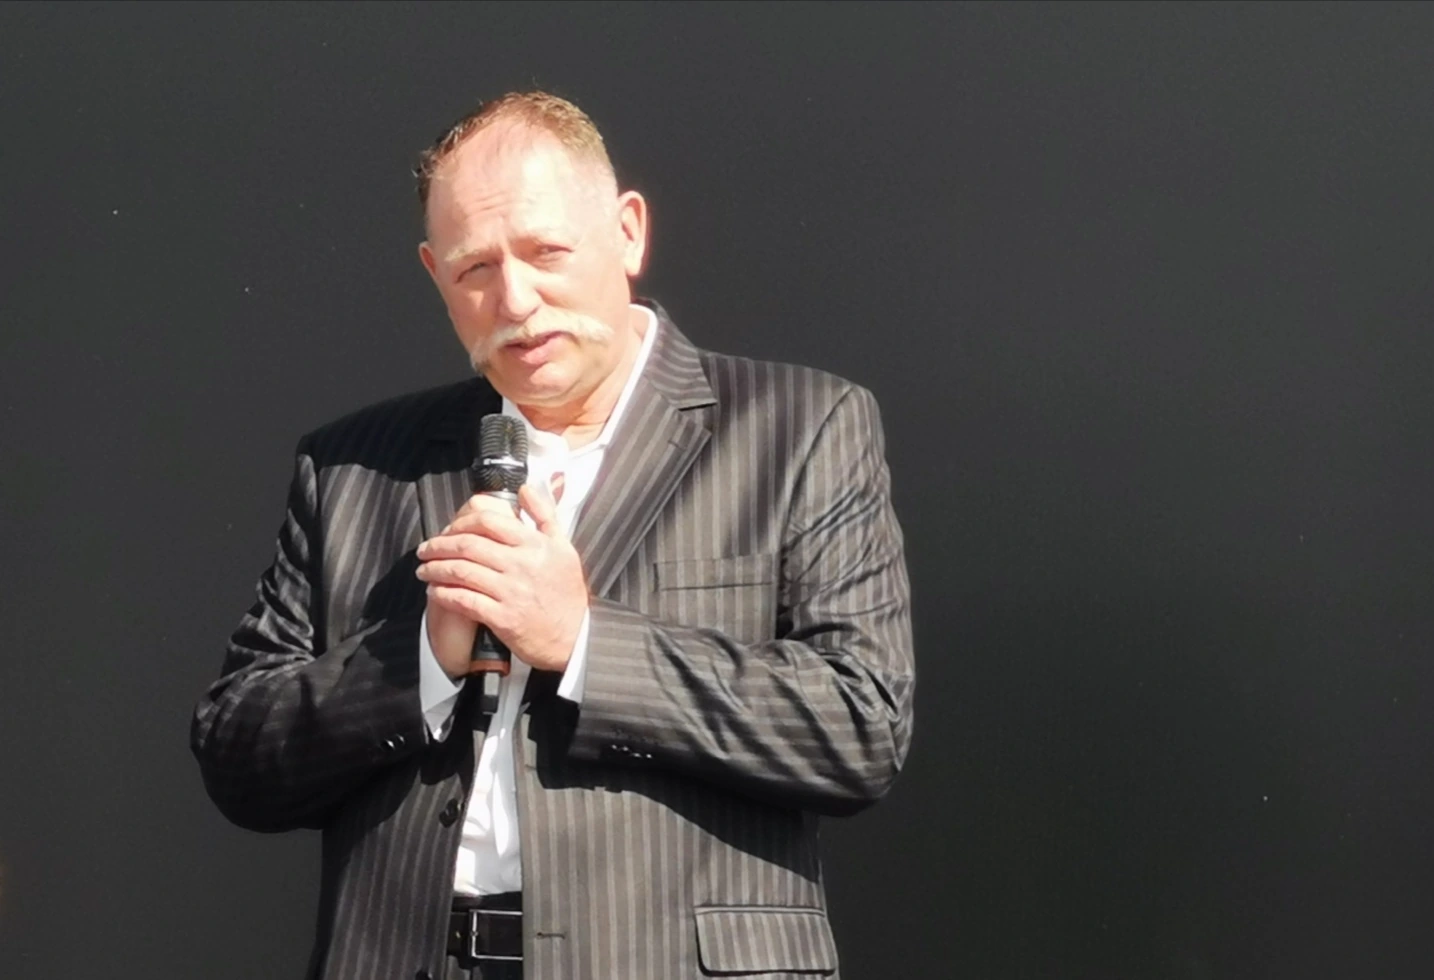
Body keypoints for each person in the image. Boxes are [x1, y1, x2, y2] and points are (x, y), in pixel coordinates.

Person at [191, 91, 915, 980]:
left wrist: (583, 643)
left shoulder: (799, 429)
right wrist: (418, 661)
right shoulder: (354, 467)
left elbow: (858, 724)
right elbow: (237, 754)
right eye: (475, 268)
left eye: (545, 253)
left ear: (627, 232)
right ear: (435, 276)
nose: (516, 299)